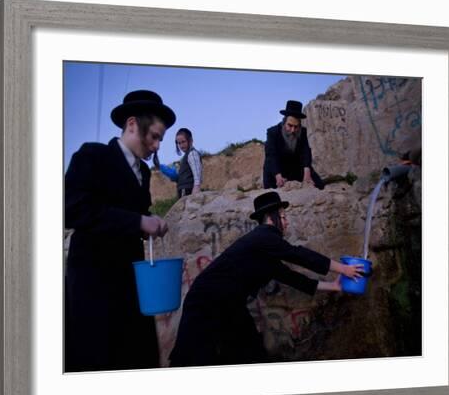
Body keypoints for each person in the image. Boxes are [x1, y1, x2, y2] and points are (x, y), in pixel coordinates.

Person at [169, 191, 363, 367]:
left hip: (229, 304)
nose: (286, 222)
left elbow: (291, 277)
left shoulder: (264, 250)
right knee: (192, 360)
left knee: (250, 352)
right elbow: (299, 255)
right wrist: (344, 268)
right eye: (284, 217)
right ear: (271, 218)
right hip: (205, 302)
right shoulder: (264, 237)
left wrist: (334, 285)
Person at [64, 90, 175, 372]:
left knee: (139, 359)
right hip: (94, 285)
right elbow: (72, 209)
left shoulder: (145, 173)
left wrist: (151, 222)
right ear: (132, 124)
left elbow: (136, 214)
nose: (156, 146)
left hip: (131, 282)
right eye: (154, 136)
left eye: (160, 139)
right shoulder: (93, 156)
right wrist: (138, 222)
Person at [263, 100, 325, 190]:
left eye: (296, 127)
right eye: (290, 125)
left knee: (320, 186)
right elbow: (271, 155)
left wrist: (307, 172)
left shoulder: (302, 132)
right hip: (276, 168)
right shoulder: (272, 132)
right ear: (284, 122)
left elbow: (306, 151)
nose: (292, 130)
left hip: (295, 167)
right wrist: (278, 176)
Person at [154, 128, 203, 198]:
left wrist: (196, 188)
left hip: (188, 189)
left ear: (191, 140)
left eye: (183, 142)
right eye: (179, 143)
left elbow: (197, 174)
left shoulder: (192, 154)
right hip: (184, 189)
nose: (181, 146)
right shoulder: (186, 156)